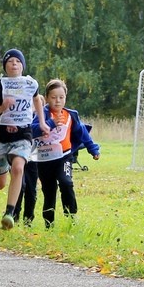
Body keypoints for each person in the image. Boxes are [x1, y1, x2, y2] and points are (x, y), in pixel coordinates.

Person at [0, 49, 46, 230]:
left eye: (18, 61)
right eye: (10, 61)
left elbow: (37, 101)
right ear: (5, 66)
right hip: (2, 135)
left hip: (23, 134)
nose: (14, 64)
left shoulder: (30, 83)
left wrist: (41, 122)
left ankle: (9, 213)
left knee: (19, 168)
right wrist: (2, 107)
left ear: (23, 65)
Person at [30, 79, 97, 228]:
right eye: (53, 97)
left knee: (66, 183)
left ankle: (71, 216)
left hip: (64, 157)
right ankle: (49, 223)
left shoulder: (71, 115)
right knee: (49, 191)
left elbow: (82, 132)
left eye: (61, 97)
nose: (57, 101)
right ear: (46, 98)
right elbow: (32, 130)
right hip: (45, 159)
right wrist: (51, 123)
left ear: (65, 98)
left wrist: (93, 149)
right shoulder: (42, 114)